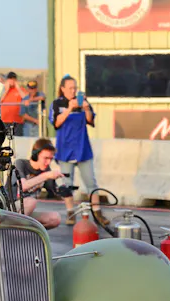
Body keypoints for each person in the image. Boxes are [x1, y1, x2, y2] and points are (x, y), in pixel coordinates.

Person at [49, 74, 109, 226]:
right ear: (63, 89)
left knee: (91, 182)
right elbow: (56, 123)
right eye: (70, 88)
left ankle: (97, 212)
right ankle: (70, 212)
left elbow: (90, 120)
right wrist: (69, 108)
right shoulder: (57, 104)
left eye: (75, 88)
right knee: (67, 183)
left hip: (83, 149)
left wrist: (86, 108)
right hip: (65, 149)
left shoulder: (83, 101)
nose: (73, 91)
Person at [8, 138, 66, 229]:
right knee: (31, 201)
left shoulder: (46, 170)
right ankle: (13, 230)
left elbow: (55, 193)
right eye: (46, 158)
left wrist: (64, 191)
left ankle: (28, 232)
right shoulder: (20, 163)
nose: (48, 162)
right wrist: (45, 176)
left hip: (25, 212)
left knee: (55, 218)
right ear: (35, 155)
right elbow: (23, 186)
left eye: (51, 159)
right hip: (9, 209)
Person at [0, 72, 26, 136]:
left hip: (17, 120)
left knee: (18, 139)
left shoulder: (21, 89)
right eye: (10, 79)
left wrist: (18, 88)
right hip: (5, 120)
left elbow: (25, 98)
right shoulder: (2, 89)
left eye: (13, 79)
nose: (12, 81)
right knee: (6, 138)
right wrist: (6, 90)